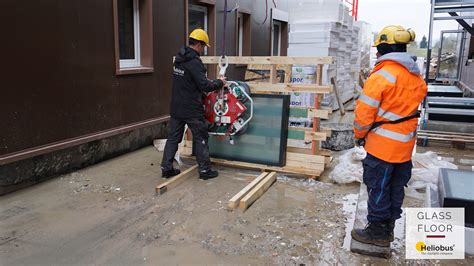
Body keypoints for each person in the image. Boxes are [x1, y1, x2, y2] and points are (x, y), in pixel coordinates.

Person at [351, 26, 428, 247]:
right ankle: (388, 228)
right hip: (404, 149)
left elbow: (364, 113)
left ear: (385, 48)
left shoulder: (382, 75)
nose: (377, 53)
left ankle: (376, 233)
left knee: (377, 188)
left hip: (382, 147)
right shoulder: (415, 75)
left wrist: (359, 134)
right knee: (395, 188)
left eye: (379, 48)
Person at [161, 29, 225, 180]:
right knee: (200, 137)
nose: (203, 50)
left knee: (173, 138)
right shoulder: (194, 62)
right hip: (191, 108)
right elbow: (204, 86)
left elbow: (188, 81)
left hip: (176, 106)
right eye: (203, 47)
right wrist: (220, 82)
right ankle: (204, 171)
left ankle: (166, 168)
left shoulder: (179, 58)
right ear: (199, 45)